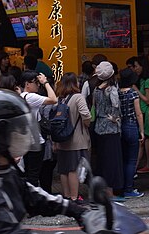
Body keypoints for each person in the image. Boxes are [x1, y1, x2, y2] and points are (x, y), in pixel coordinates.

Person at [0, 90, 94, 234]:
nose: (25, 134)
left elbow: (36, 198)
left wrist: (78, 211)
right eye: (18, 129)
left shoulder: (1, 171)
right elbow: (8, 228)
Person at [55, 72, 91, 204]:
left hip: (61, 139)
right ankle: (74, 197)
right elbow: (86, 115)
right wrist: (87, 125)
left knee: (64, 169)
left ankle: (67, 195)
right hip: (76, 139)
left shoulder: (60, 98)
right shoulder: (78, 97)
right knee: (73, 169)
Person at [19, 70, 57, 187]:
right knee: (33, 175)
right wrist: (46, 82)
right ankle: (32, 201)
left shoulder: (21, 96)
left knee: (27, 174)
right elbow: (53, 99)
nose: (38, 85)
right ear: (27, 84)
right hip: (35, 141)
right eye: (36, 82)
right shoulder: (31, 97)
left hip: (24, 141)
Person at [91, 62, 124, 198]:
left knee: (102, 159)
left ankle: (102, 190)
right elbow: (116, 108)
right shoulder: (112, 89)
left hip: (99, 125)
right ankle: (110, 191)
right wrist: (116, 118)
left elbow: (94, 106)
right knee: (112, 160)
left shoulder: (96, 89)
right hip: (111, 127)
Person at [118, 68, 143, 199]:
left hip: (120, 126)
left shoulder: (117, 92)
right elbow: (138, 113)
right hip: (131, 125)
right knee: (132, 160)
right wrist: (142, 130)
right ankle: (129, 188)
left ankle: (121, 186)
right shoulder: (133, 93)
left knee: (123, 158)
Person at [131, 56, 149, 175]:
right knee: (146, 140)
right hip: (143, 112)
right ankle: (148, 165)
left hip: (146, 112)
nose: (135, 69)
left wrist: (136, 90)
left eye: (136, 66)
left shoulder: (147, 80)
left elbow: (147, 99)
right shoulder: (142, 80)